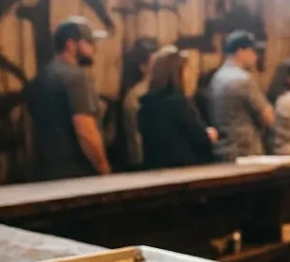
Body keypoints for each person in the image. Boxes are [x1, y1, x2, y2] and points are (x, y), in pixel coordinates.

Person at [26, 16, 111, 180]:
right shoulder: (75, 77)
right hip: (77, 173)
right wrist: (104, 168)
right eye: (89, 42)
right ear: (71, 44)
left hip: (47, 172)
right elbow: (85, 130)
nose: (95, 49)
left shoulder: (42, 76)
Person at [138, 49, 218, 169]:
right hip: (184, 171)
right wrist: (210, 135)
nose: (192, 74)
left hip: (155, 171)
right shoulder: (179, 103)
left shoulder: (146, 103)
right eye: (188, 69)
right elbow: (200, 138)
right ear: (177, 73)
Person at [206, 30, 274, 160]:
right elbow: (268, 117)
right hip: (246, 153)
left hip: (223, 152)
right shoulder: (244, 79)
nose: (255, 57)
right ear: (241, 52)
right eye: (253, 51)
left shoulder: (216, 78)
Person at [120, 38, 160, 170]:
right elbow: (136, 135)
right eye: (155, 63)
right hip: (147, 162)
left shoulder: (161, 90)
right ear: (143, 67)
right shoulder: (136, 95)